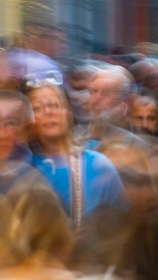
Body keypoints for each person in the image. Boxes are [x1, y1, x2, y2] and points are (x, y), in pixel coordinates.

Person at [24, 80, 129, 229]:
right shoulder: (24, 166)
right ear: (28, 120)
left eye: (54, 105)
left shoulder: (97, 163)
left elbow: (122, 221)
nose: (49, 112)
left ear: (67, 113)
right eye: (38, 108)